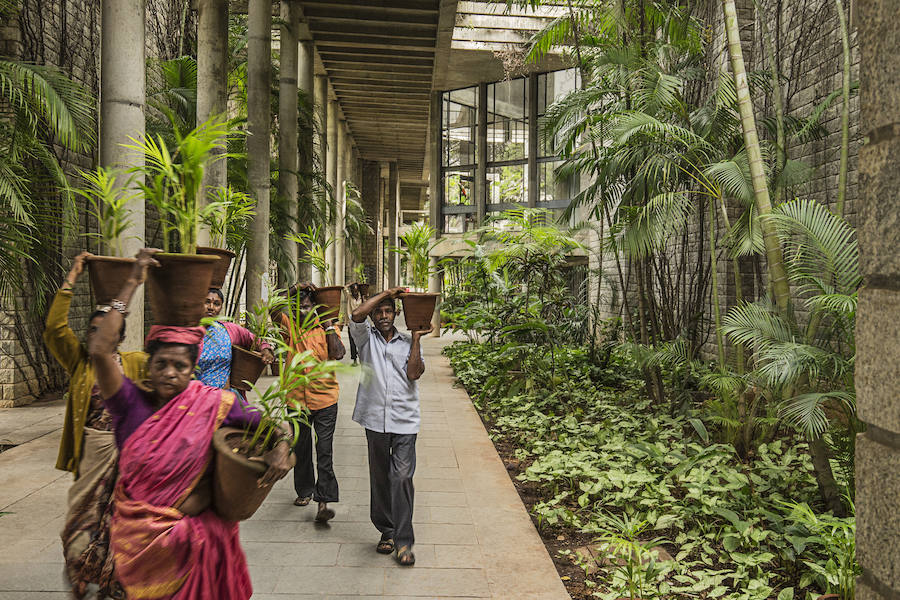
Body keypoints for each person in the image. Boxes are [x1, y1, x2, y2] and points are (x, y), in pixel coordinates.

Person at [89, 248, 293, 600]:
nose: (170, 373)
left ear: (192, 368)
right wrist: (132, 282)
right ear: (148, 365)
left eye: (180, 366)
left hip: (199, 550)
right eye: (162, 364)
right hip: (140, 547)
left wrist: (282, 449)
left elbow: (273, 427)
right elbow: (100, 350)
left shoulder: (213, 402)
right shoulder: (128, 403)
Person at [43, 251, 147, 600]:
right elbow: (55, 328)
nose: (97, 334)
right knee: (77, 532)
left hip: (128, 463)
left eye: (105, 329)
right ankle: (85, 573)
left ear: (118, 335)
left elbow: (171, 368)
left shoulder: (136, 363)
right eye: (92, 328)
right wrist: (73, 274)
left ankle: (114, 585)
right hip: (91, 456)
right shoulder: (79, 363)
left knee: (123, 531)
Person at [348, 287, 431, 567]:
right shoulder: (364, 339)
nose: (383, 316)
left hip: (405, 419)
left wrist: (417, 338)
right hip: (374, 419)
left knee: (402, 477)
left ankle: (404, 540)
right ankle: (387, 530)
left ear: (396, 314)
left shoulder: (407, 342)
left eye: (388, 311)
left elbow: (414, 373)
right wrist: (388, 293)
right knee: (381, 477)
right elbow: (356, 314)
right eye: (379, 311)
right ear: (373, 315)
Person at [277, 283, 345, 522]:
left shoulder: (327, 328)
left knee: (324, 451)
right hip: (296, 400)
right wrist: (293, 289)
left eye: (307, 306)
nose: (303, 311)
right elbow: (273, 308)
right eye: (299, 307)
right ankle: (304, 490)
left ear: (315, 307)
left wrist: (327, 324)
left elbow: (338, 353)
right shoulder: (289, 327)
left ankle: (323, 501)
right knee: (302, 448)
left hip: (325, 399)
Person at [197, 288, 274, 396]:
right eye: (207, 302)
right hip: (198, 398)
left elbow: (253, 338)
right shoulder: (191, 333)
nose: (211, 307)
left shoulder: (229, 330)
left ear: (221, 308)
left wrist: (265, 349)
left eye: (216, 304)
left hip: (225, 398)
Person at [345, 283, 363, 366]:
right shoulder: (349, 297)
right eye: (353, 291)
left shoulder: (361, 297)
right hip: (351, 322)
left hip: (360, 322)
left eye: (356, 291)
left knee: (360, 341)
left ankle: (362, 359)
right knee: (352, 342)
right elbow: (344, 288)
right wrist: (351, 284)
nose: (355, 293)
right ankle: (354, 360)